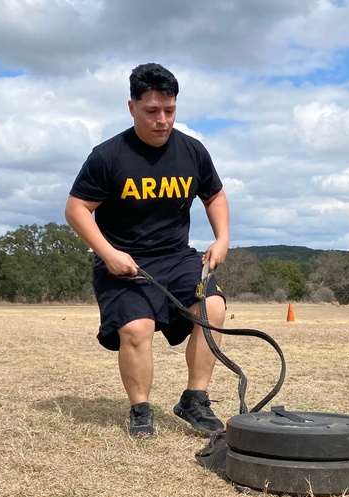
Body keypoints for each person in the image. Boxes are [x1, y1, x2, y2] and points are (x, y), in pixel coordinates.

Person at [65, 62, 230, 438]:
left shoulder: (193, 151)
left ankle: (195, 399)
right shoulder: (108, 156)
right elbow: (76, 209)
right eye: (152, 111)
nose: (162, 120)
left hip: (177, 256)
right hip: (124, 260)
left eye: (169, 111)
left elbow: (215, 195)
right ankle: (140, 409)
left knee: (214, 307)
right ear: (132, 107)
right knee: (138, 328)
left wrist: (222, 238)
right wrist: (108, 253)